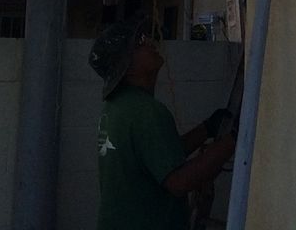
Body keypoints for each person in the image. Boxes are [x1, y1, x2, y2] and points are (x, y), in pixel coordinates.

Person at [88, 16, 236, 230]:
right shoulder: (146, 112)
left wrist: (206, 129)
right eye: (139, 42)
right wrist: (236, 137)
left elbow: (160, 155)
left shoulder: (117, 107)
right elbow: (179, 182)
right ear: (127, 66)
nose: (149, 42)